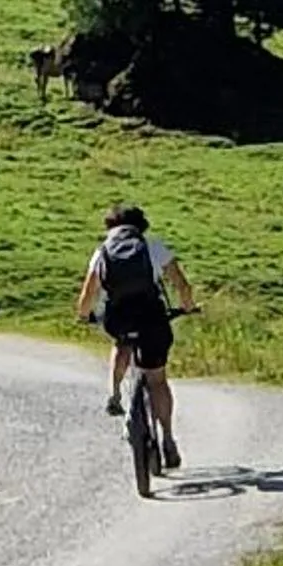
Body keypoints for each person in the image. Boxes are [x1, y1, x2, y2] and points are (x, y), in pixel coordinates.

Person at [76, 201, 196, 472]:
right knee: (157, 379)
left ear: (110, 227)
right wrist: (187, 306)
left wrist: (84, 316)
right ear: (140, 226)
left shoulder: (102, 251)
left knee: (122, 342)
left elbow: (87, 297)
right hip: (152, 318)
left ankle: (116, 393)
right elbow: (182, 285)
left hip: (119, 318)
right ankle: (167, 438)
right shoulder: (153, 247)